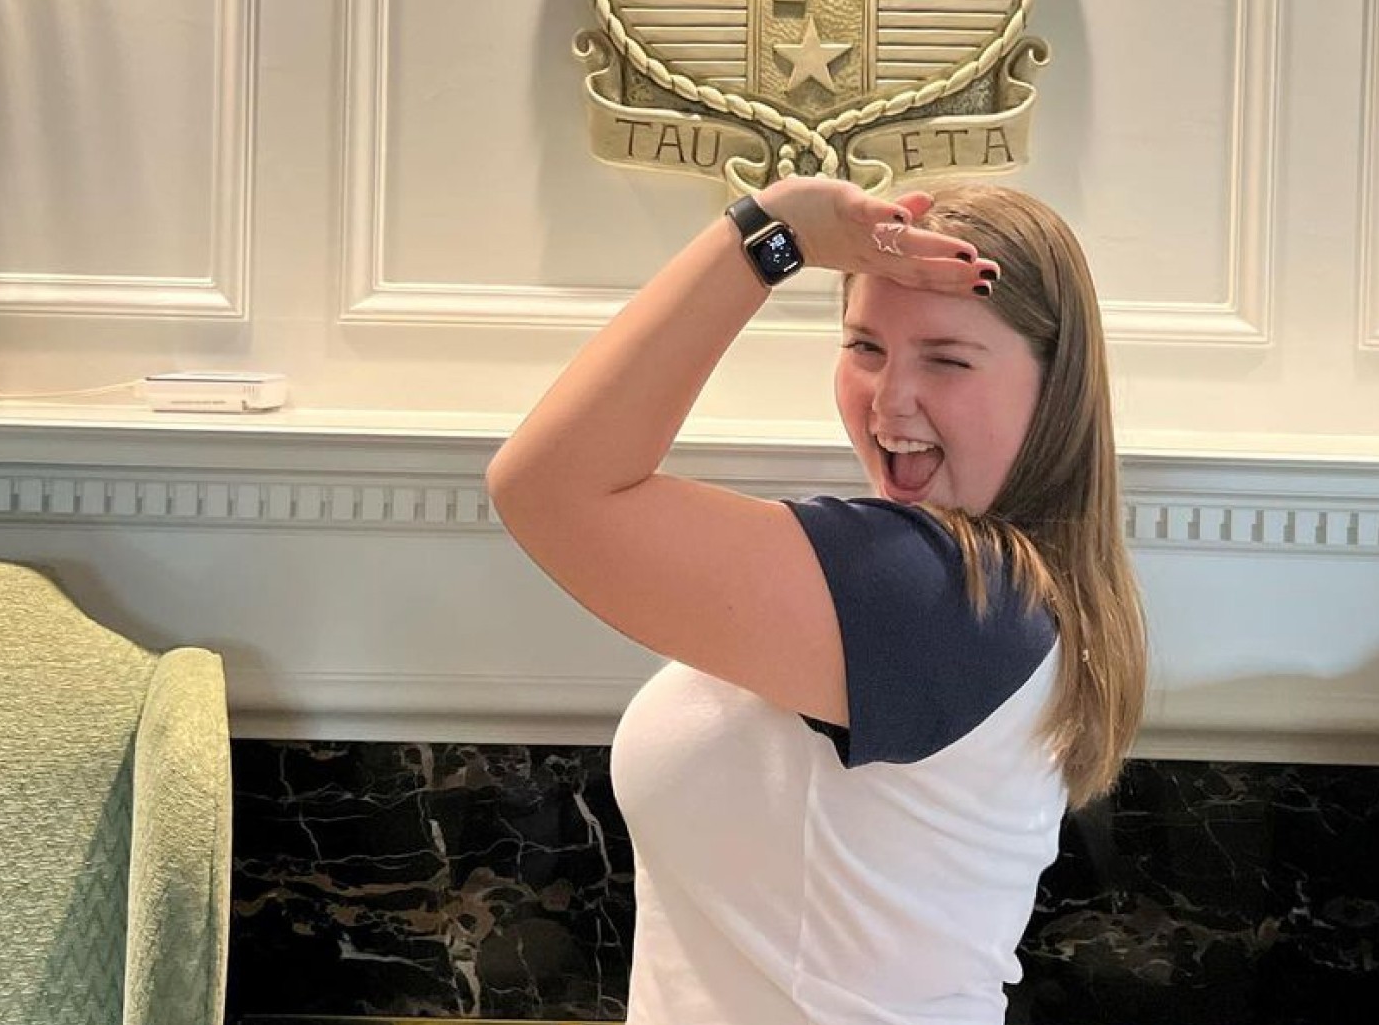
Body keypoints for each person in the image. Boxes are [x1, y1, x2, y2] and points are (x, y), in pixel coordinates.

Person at [487, 175, 1147, 1024]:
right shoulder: (991, 597)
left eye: (946, 358)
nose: (888, 398)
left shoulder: (934, 594)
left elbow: (546, 487)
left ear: (1053, 386)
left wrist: (774, 232)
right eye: (865, 346)